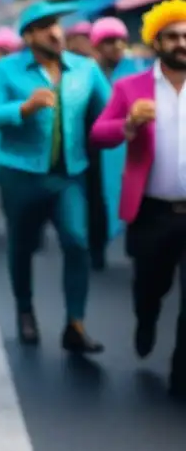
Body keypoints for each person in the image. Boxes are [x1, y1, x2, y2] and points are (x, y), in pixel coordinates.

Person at [0, 1, 110, 352]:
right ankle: (25, 309)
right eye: (44, 27)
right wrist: (23, 108)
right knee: (21, 246)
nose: (55, 32)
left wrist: (127, 123)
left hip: (69, 176)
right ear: (28, 36)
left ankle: (75, 324)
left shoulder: (86, 70)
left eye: (57, 25)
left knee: (77, 242)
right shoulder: (6, 71)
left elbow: (107, 115)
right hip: (20, 176)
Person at [90, 0, 186, 402]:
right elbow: (99, 133)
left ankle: (181, 375)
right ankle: (145, 319)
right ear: (155, 42)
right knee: (150, 287)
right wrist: (128, 125)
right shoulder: (132, 87)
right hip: (151, 212)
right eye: (172, 36)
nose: (181, 42)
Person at [85, 17, 144, 271]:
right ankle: (95, 249)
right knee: (95, 200)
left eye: (121, 40)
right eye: (109, 41)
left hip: (129, 150)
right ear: (97, 45)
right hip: (92, 151)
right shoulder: (85, 75)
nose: (117, 46)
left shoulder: (136, 71)